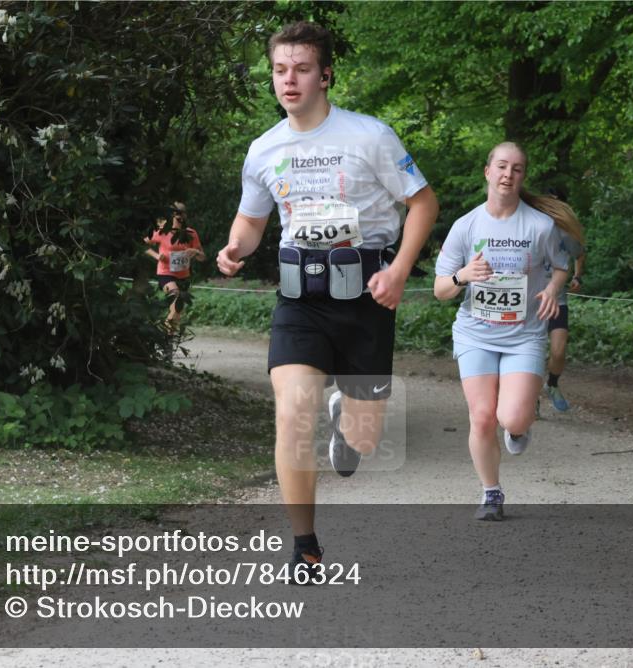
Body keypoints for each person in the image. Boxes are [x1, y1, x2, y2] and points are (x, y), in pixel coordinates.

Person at [216, 21, 438, 580]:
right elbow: (250, 221)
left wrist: (401, 271)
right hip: (301, 298)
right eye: (279, 70)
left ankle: (348, 422)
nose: (288, 80)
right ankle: (305, 545)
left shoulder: (370, 137)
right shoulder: (265, 149)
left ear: (326, 74)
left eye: (301, 69)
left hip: (366, 294)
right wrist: (235, 250)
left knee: (364, 437)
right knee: (292, 412)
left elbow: (424, 204)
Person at [433, 142, 570, 521]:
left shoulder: (540, 226)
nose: (509, 175)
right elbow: (440, 289)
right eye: (502, 167)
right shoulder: (466, 226)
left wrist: (552, 289)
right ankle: (491, 493)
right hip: (476, 333)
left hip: (523, 335)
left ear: (522, 177)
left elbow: (562, 265)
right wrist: (463, 276)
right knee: (481, 417)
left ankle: (519, 425)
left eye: (518, 169)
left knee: (513, 419)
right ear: (488, 172)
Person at [542, 190, 586, 412]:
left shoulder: (564, 234)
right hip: (530, 303)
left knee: (558, 352)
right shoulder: (524, 229)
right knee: (532, 352)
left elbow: (579, 254)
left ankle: (552, 384)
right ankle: (529, 398)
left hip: (557, 300)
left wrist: (577, 276)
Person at [145, 202, 205, 333]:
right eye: (177, 217)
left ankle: (168, 339)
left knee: (177, 310)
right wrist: (156, 255)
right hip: (165, 273)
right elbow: (143, 244)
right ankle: (166, 339)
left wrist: (195, 253)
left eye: (182, 217)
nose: (180, 220)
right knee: (176, 296)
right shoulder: (161, 231)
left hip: (184, 276)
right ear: (170, 216)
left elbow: (202, 257)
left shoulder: (190, 233)